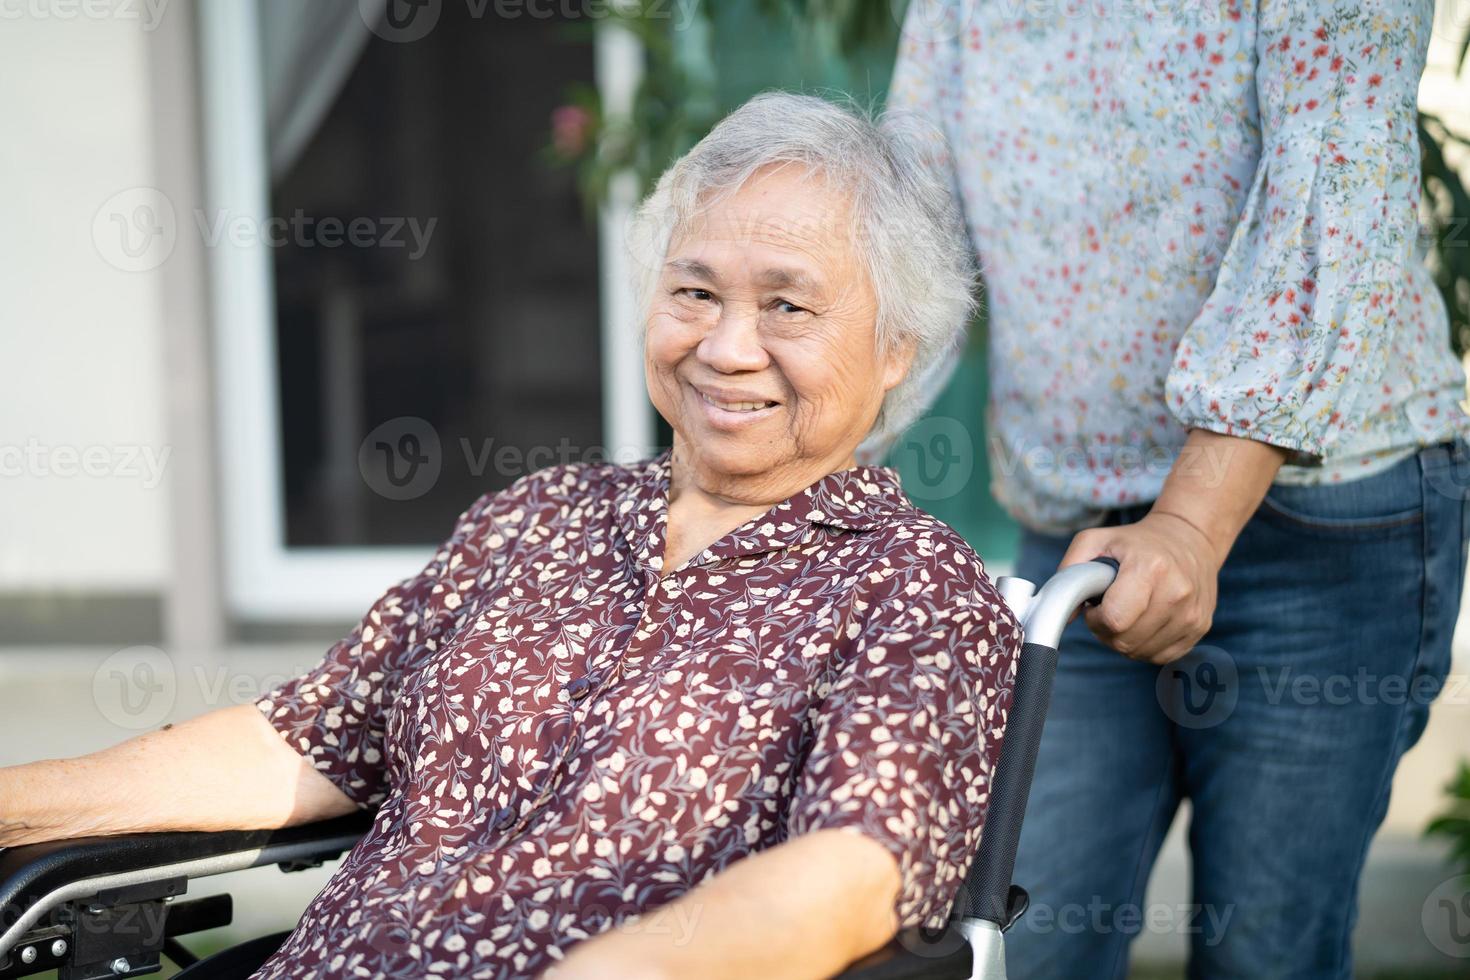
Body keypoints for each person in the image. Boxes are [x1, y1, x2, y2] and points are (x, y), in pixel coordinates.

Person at [0, 93, 1023, 980]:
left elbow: (847, 875)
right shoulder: (538, 517)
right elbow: (303, 740)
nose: (725, 345)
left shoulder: (913, 587)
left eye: (788, 304)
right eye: (695, 290)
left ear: (898, 348)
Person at [889, 0, 1470, 976]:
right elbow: (912, 230)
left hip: (1324, 521)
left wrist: (1194, 522)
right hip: (1077, 531)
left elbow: (1336, 183)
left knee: (1263, 952)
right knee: (1021, 943)